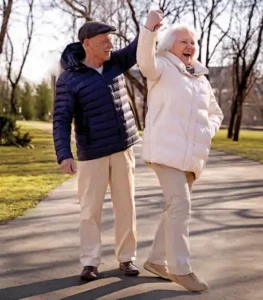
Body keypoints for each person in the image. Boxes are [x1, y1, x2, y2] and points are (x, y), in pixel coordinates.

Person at [137, 10, 223, 292]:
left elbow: (216, 112)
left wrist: (207, 131)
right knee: (181, 205)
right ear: (169, 45)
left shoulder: (200, 77)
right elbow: (144, 62)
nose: (190, 47)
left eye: (193, 43)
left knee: (173, 207)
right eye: (183, 41)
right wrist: (150, 29)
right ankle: (180, 268)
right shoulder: (160, 66)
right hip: (165, 150)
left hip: (191, 156)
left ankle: (155, 260)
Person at [53, 21, 140, 281]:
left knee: (127, 207)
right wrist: (63, 153)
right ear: (87, 43)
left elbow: (138, 47)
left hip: (123, 148)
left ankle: (126, 258)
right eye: (105, 41)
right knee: (90, 210)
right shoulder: (69, 78)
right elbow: (61, 118)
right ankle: (90, 262)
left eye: (111, 41)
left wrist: (149, 28)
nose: (111, 46)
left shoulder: (115, 62)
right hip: (92, 153)